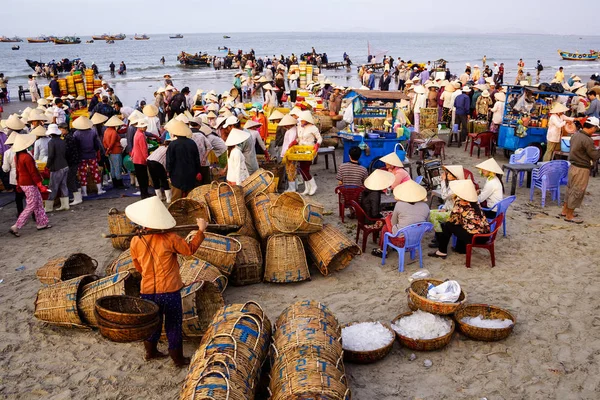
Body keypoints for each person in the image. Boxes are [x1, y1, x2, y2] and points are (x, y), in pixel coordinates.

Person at [126, 196, 208, 367]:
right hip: (169, 291)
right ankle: (178, 359)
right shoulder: (170, 238)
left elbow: (137, 265)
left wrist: (148, 276)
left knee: (152, 323)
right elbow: (189, 250)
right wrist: (201, 230)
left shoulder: (136, 240)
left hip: (147, 291)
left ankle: (150, 352)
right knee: (173, 324)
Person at [428, 179, 490, 258]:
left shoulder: (461, 203)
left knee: (448, 225)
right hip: (485, 235)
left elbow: (452, 219)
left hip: (475, 238)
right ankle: (460, 249)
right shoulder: (475, 201)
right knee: (462, 225)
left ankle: (441, 251)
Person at [373, 180, 430, 258]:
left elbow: (393, 223)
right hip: (416, 239)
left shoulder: (399, 205)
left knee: (386, 225)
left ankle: (383, 250)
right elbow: (426, 225)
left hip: (400, 240)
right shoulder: (425, 206)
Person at [8, 134, 51, 237]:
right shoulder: (26, 157)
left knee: (38, 202)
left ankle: (42, 223)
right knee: (32, 204)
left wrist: (18, 183)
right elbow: (33, 172)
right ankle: (16, 226)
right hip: (29, 183)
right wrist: (40, 184)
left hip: (23, 182)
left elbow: (18, 171)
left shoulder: (17, 156)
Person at [561, 117, 600, 223]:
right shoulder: (587, 140)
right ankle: (569, 215)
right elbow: (595, 156)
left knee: (570, 189)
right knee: (577, 191)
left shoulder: (575, 135)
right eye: (596, 128)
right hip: (581, 168)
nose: (595, 130)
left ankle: (565, 211)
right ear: (593, 127)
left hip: (573, 166)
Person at [428, 165, 464, 241]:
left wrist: (443, 182)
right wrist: (444, 208)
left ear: (455, 177)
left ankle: (440, 237)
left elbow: (444, 196)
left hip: (454, 213)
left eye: (450, 174)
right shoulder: (452, 184)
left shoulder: (457, 186)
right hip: (450, 209)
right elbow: (448, 200)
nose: (448, 175)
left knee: (433, 216)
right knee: (430, 213)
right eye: (448, 173)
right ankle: (439, 235)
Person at [166, 120, 201, 201]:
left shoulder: (173, 144)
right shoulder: (192, 143)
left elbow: (169, 161)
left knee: (176, 198)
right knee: (190, 198)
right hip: (191, 174)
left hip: (177, 174)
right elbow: (197, 159)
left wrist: (169, 173)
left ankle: (175, 213)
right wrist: (197, 171)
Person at [291, 111, 322, 195]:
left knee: (305, 169)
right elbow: (299, 138)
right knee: (301, 169)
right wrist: (294, 141)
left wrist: (317, 144)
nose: (301, 122)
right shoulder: (299, 127)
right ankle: (307, 189)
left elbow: (319, 139)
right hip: (300, 150)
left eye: (302, 120)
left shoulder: (313, 128)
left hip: (309, 150)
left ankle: (313, 186)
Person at [45, 124, 70, 212]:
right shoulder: (62, 141)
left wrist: (47, 166)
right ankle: (65, 205)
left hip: (56, 167)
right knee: (64, 185)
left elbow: (51, 156)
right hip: (65, 165)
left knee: (53, 187)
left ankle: (48, 207)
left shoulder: (51, 142)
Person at [2, 132, 25, 216]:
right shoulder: (25, 151)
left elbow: (6, 168)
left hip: (14, 177)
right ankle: (33, 213)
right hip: (26, 177)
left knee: (18, 197)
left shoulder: (7, 153)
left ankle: (20, 213)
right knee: (29, 197)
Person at [147, 134, 172, 203]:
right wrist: (167, 171)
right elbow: (167, 161)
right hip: (157, 163)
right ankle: (168, 198)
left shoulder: (161, 147)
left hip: (149, 161)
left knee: (155, 180)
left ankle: (159, 197)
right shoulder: (168, 149)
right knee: (164, 179)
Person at [131, 118, 151, 199]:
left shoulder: (137, 134)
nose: (146, 128)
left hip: (136, 158)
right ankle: (144, 193)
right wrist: (147, 158)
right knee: (143, 178)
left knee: (141, 177)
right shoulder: (141, 135)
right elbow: (144, 149)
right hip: (140, 159)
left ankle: (144, 193)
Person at [103, 116, 125, 189]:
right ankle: (119, 183)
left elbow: (104, 142)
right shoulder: (114, 132)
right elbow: (112, 143)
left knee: (112, 168)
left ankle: (115, 183)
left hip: (110, 152)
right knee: (117, 167)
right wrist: (108, 150)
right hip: (115, 151)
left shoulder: (106, 131)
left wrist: (107, 150)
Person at [278, 114, 299, 192]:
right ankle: (294, 186)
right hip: (289, 152)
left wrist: (287, 152)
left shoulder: (292, 131)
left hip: (289, 153)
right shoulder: (293, 129)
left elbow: (290, 143)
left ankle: (292, 188)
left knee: (290, 170)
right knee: (292, 169)